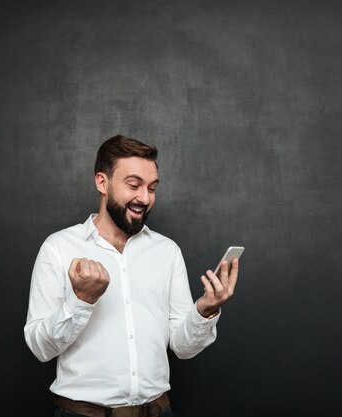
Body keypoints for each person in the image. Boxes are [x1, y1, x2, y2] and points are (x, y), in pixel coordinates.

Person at [24, 135, 240, 417]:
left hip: (158, 411)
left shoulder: (166, 251)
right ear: (102, 182)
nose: (145, 198)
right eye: (134, 185)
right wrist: (82, 300)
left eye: (152, 188)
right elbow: (40, 348)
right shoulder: (59, 248)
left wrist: (206, 310)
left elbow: (182, 347)